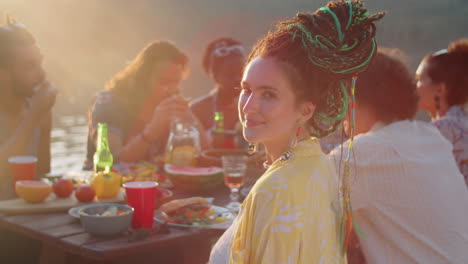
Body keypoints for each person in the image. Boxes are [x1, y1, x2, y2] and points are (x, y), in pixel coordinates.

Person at [210, 1, 384, 263]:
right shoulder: (318, 165)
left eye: (269, 94)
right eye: (246, 89)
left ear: (305, 111)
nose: (248, 106)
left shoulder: (275, 189)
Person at [330, 50, 468, 263]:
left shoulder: (359, 155)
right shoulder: (431, 138)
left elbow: (302, 207)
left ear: (352, 101)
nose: (342, 119)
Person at [84, 40, 208, 169]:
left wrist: (188, 115)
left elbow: (205, 154)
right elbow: (112, 160)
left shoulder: (169, 103)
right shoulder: (108, 104)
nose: (172, 90)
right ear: (142, 79)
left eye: (176, 82)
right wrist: (152, 130)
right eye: (164, 82)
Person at [0, 15, 56, 263]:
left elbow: (41, 172)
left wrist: (43, 123)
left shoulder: (35, 109)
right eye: (30, 66)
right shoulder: (32, 113)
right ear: (4, 75)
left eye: (40, 62)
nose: (41, 73)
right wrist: (33, 118)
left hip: (24, 224)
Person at [416, 39, 468, 185]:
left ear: (440, 88)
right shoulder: (461, 124)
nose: (415, 86)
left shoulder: (440, 130)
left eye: (419, 79)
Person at [190, 37, 246, 149]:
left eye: (242, 72)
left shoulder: (256, 106)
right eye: (230, 75)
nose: (238, 79)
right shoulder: (197, 110)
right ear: (215, 76)